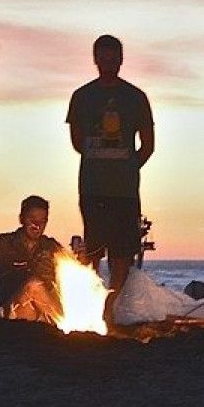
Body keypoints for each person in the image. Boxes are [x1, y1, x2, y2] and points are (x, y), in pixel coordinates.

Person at [66, 34, 154, 295]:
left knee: (122, 252)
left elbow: (148, 145)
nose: (108, 63)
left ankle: (112, 307)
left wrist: (127, 165)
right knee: (92, 249)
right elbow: (77, 141)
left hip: (124, 190)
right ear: (95, 59)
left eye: (113, 58)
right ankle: (92, 301)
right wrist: (102, 156)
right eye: (103, 57)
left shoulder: (136, 97)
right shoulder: (82, 96)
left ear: (121, 59)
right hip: (93, 187)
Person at [0, 195, 67, 323]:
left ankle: (64, 323)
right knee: (34, 286)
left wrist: (81, 255)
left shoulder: (51, 247)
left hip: (44, 313)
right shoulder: (4, 244)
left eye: (42, 221)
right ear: (22, 219)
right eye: (32, 219)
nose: (37, 225)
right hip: (14, 311)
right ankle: (66, 324)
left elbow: (75, 269)